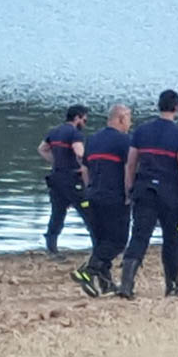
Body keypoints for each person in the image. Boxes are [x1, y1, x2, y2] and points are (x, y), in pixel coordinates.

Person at [117, 90, 178, 299]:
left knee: (139, 236)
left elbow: (131, 163)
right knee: (173, 238)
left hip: (144, 190)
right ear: (177, 107)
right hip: (170, 194)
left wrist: (129, 190)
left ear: (158, 105)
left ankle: (126, 283)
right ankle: (172, 284)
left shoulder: (142, 131)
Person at [69, 105, 132, 297]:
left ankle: (106, 283)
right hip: (114, 196)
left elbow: (85, 169)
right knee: (118, 241)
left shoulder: (93, 139)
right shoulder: (125, 141)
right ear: (121, 119)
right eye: (129, 119)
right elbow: (129, 169)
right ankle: (87, 270)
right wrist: (129, 193)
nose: (130, 124)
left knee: (102, 241)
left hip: (93, 195)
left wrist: (89, 189)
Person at [36, 104, 91, 257]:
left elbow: (42, 149)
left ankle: (52, 248)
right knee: (88, 211)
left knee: (57, 213)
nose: (84, 124)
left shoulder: (54, 132)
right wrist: (85, 167)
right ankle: (98, 244)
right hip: (73, 180)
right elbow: (80, 153)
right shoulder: (75, 134)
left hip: (56, 178)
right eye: (84, 120)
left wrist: (56, 162)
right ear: (77, 117)